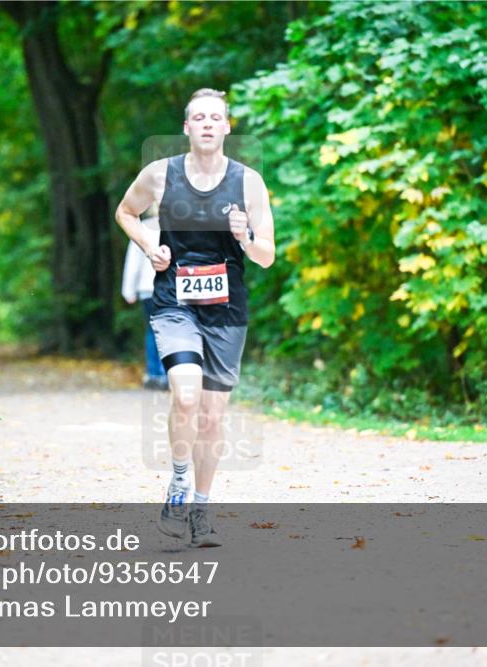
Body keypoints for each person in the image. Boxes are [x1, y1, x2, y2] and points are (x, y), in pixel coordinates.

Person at [114, 88, 276, 547]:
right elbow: (126, 211)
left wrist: (246, 238)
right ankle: (179, 485)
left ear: (227, 127)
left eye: (215, 117)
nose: (207, 124)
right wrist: (149, 246)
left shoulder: (249, 183)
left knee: (211, 415)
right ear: (186, 127)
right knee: (185, 396)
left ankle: (201, 509)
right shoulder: (160, 175)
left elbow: (267, 256)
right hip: (174, 303)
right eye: (198, 117)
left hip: (226, 310)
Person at [121, 224, 169, 390]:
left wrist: (128, 290)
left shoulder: (140, 229)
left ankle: (154, 373)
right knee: (169, 331)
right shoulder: (175, 226)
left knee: (152, 330)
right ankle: (167, 372)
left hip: (147, 288)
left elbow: (133, 262)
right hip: (170, 287)